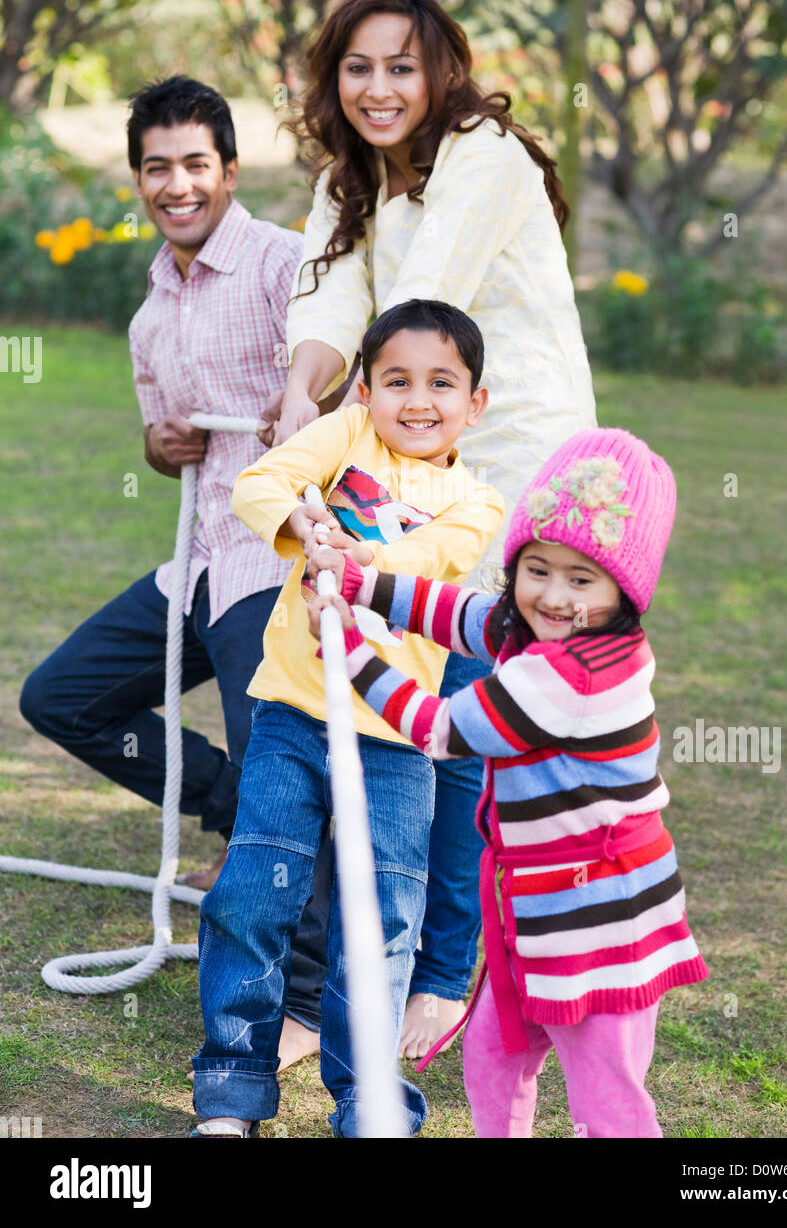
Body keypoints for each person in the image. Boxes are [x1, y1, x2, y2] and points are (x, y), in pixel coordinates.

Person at [266, 0, 597, 1058]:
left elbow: (423, 311)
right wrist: (293, 393)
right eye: (357, 66)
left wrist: (338, 423)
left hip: (503, 460)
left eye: (400, 65)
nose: (377, 87)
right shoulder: (348, 177)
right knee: (395, 700)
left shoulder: (484, 160)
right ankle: (364, 962)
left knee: (446, 715)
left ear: (439, 68)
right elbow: (330, 302)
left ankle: (440, 971)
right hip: (411, 442)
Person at [18, 75, 329, 1065]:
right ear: (139, 178)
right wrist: (160, 447)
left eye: (197, 163)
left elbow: (348, 384)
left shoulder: (289, 266)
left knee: (289, 769)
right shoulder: (151, 306)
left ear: (229, 171)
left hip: (271, 561)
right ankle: (228, 802)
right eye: (158, 166)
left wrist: (306, 402)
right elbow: (163, 440)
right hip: (193, 562)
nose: (178, 183)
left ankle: (314, 997)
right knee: (58, 695)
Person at [307, 427, 710, 1138]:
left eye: (580, 579)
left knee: (604, 1091)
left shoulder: (574, 674)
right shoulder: (532, 630)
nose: (552, 596)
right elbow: (461, 616)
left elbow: (441, 729)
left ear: (624, 590)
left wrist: (351, 652)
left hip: (599, 914)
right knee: (494, 1054)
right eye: (537, 568)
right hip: (528, 904)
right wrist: (360, 583)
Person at [189, 299, 505, 1138]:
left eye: (442, 383)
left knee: (380, 922)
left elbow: (431, 560)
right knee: (252, 895)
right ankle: (230, 1089)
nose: (416, 399)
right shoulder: (345, 436)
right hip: (293, 715)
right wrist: (299, 520)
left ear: (475, 403)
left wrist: (355, 559)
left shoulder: (477, 503)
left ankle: (370, 1102)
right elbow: (259, 481)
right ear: (365, 387)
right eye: (396, 379)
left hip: (398, 743)